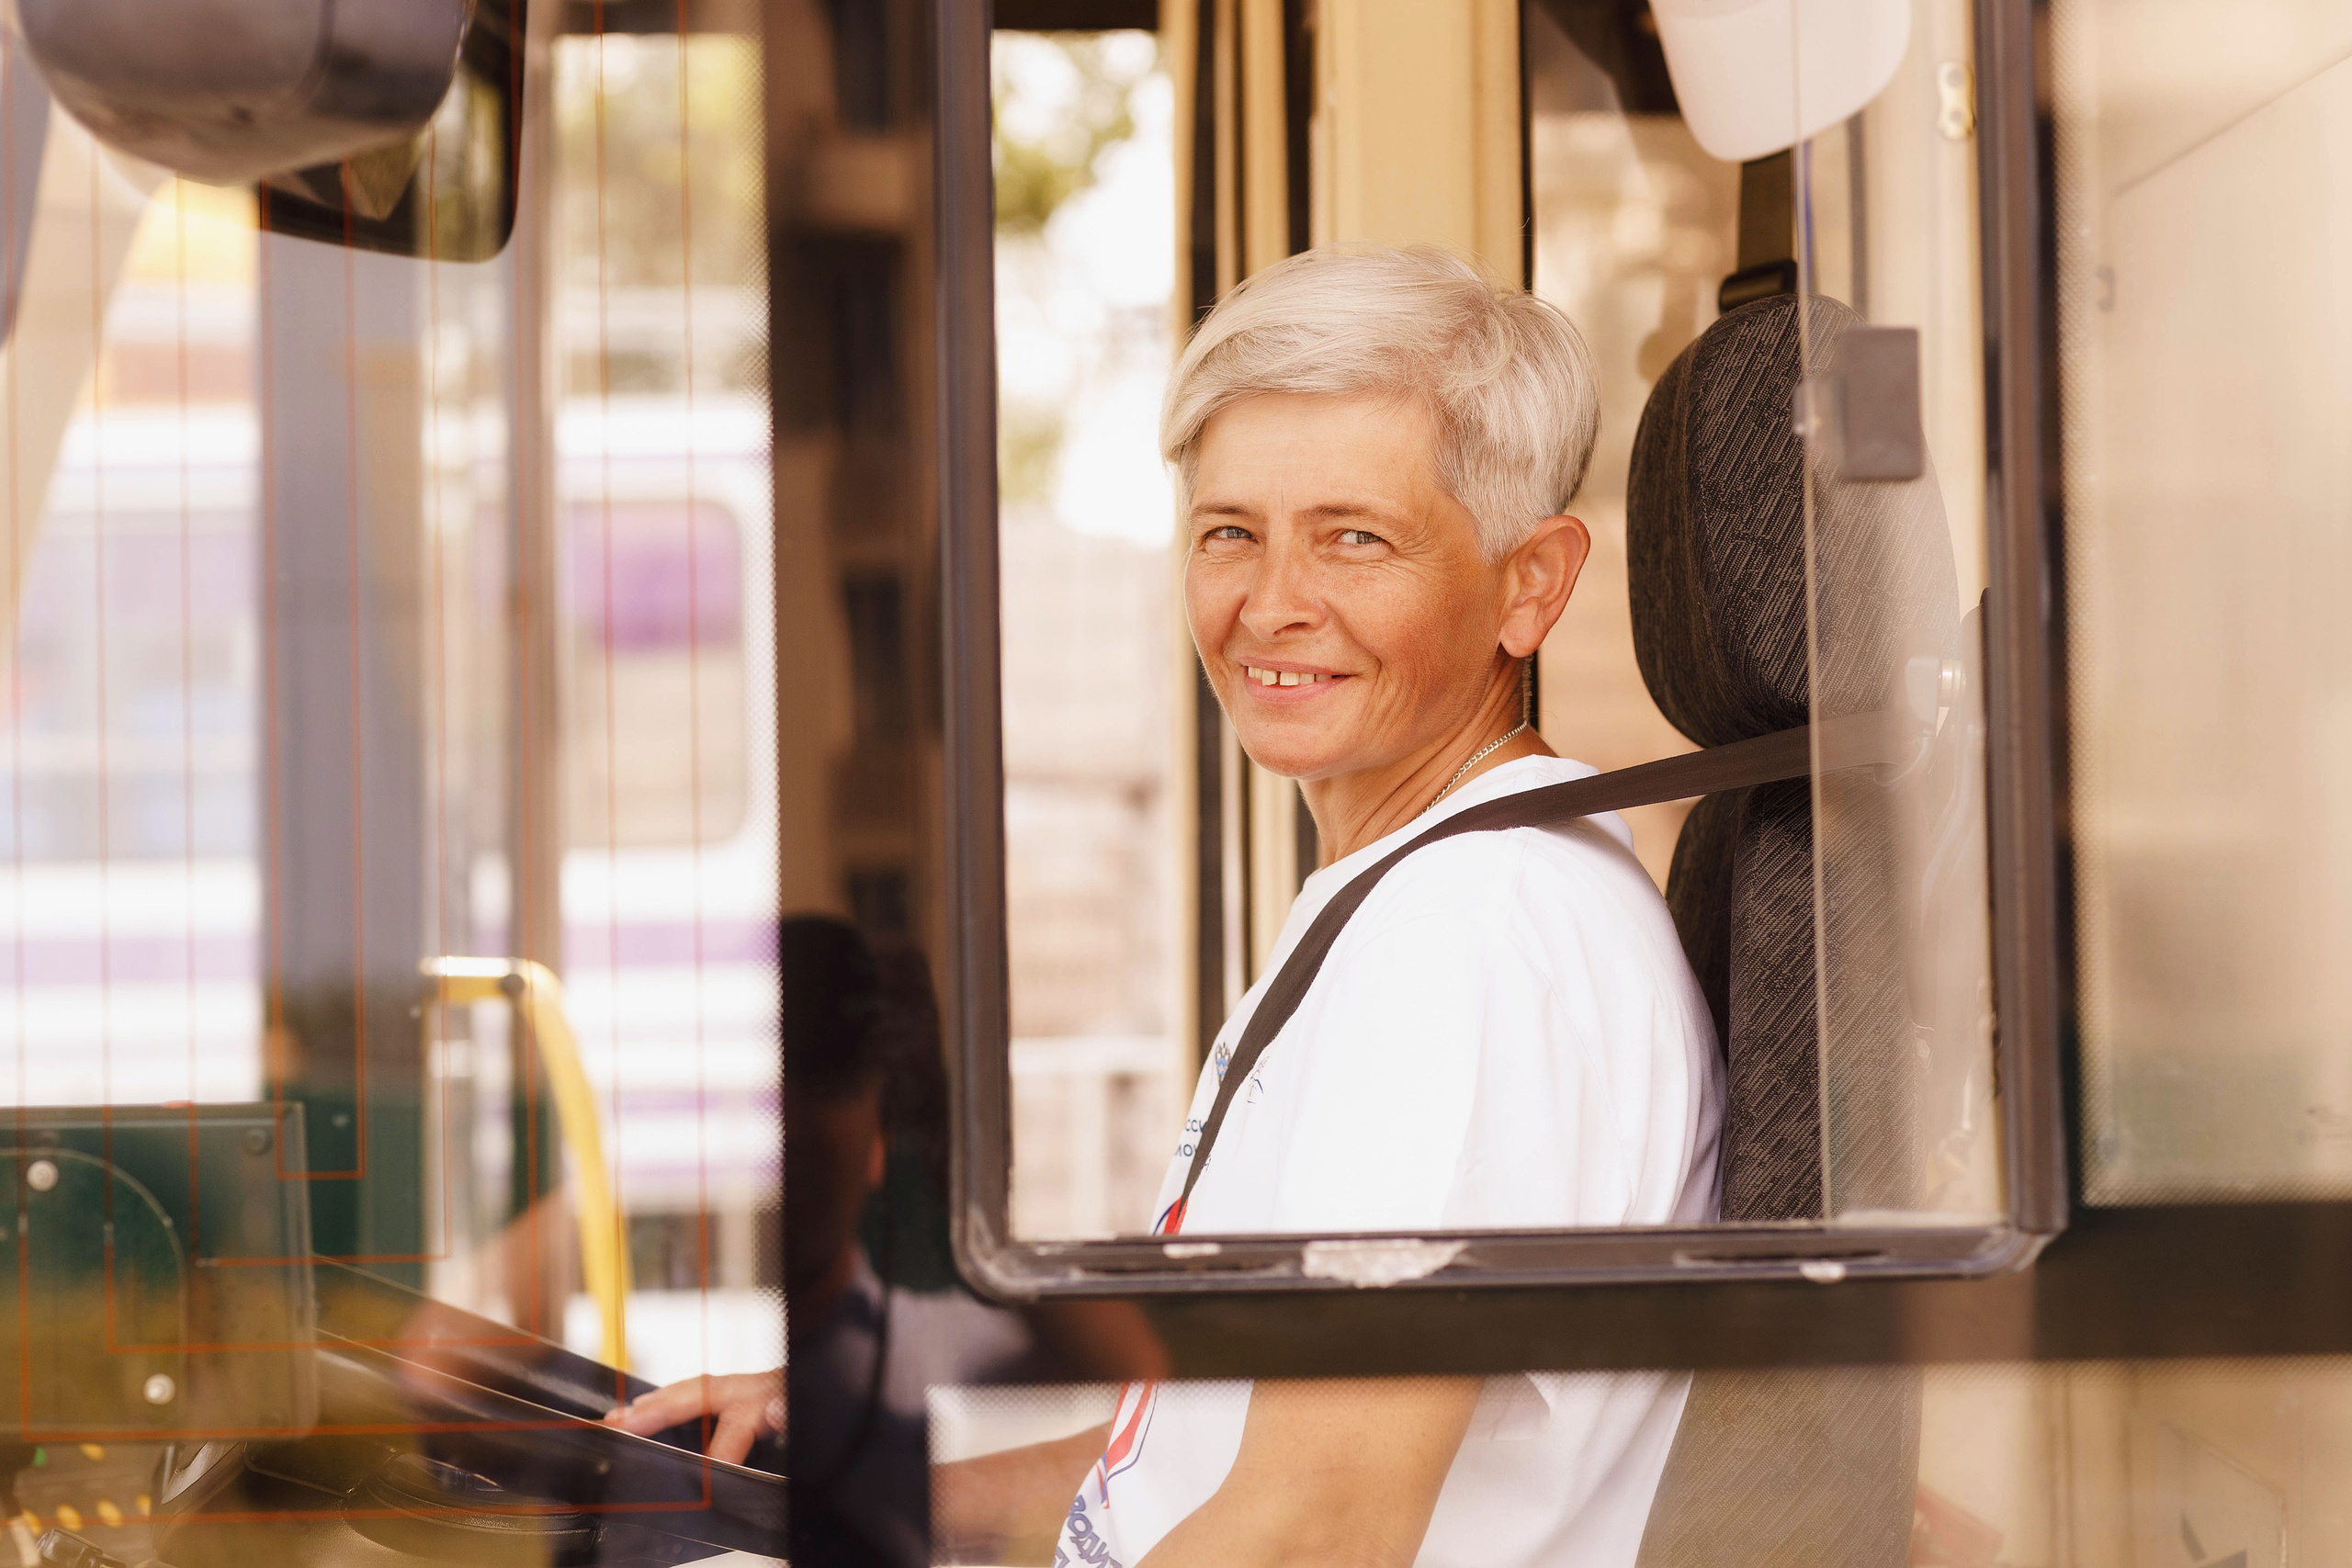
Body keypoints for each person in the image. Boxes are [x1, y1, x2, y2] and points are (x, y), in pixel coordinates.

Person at [627, 242, 1724, 1567]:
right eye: (1229, 535)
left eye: (1353, 539)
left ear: (1529, 585)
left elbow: (1313, 1529)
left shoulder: (1475, 935)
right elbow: (1205, 1460)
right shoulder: (1437, 885)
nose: (1271, 606)